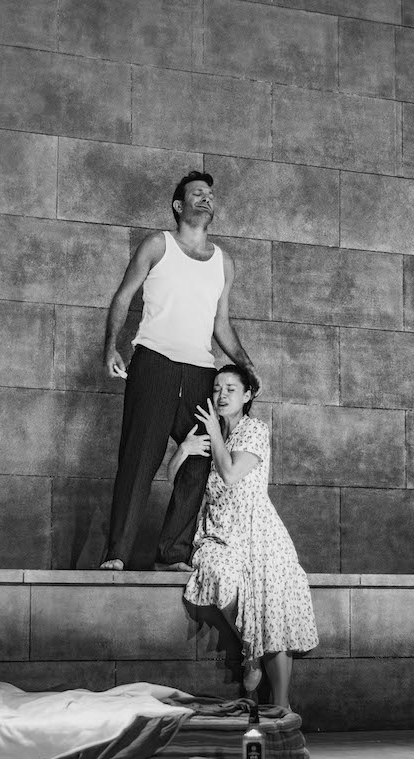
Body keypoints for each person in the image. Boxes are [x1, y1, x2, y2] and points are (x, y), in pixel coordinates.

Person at [100, 171, 259, 571]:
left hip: (200, 372)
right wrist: (111, 347)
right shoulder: (159, 245)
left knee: (200, 458)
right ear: (178, 205)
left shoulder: (223, 262)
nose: (206, 198)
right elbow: (123, 296)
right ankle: (116, 554)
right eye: (197, 193)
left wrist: (246, 363)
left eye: (210, 194)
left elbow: (221, 323)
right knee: (139, 458)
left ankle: (172, 553)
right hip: (153, 362)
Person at [175, 364, 318, 711]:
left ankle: (282, 706)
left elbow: (230, 473)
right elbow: (173, 478)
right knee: (219, 573)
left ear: (247, 395)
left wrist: (214, 432)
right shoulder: (207, 434)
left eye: (231, 389)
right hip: (218, 532)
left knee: (273, 606)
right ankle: (250, 651)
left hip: (259, 530)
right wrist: (184, 449)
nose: (221, 395)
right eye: (216, 388)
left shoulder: (254, 429)